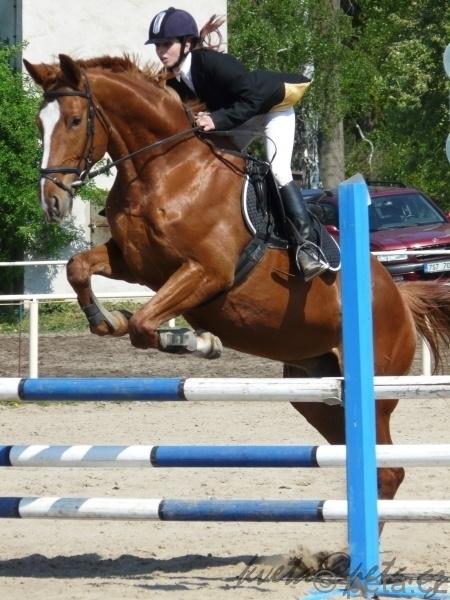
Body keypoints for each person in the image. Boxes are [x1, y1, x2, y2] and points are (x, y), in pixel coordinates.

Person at [145, 7, 328, 280]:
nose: (161, 51)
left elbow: (252, 99)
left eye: (166, 44)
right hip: (239, 120)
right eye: (157, 45)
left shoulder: (213, 64)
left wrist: (216, 119)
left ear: (187, 44)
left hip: (270, 110)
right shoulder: (173, 79)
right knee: (211, 165)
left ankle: (307, 246)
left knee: (278, 170)